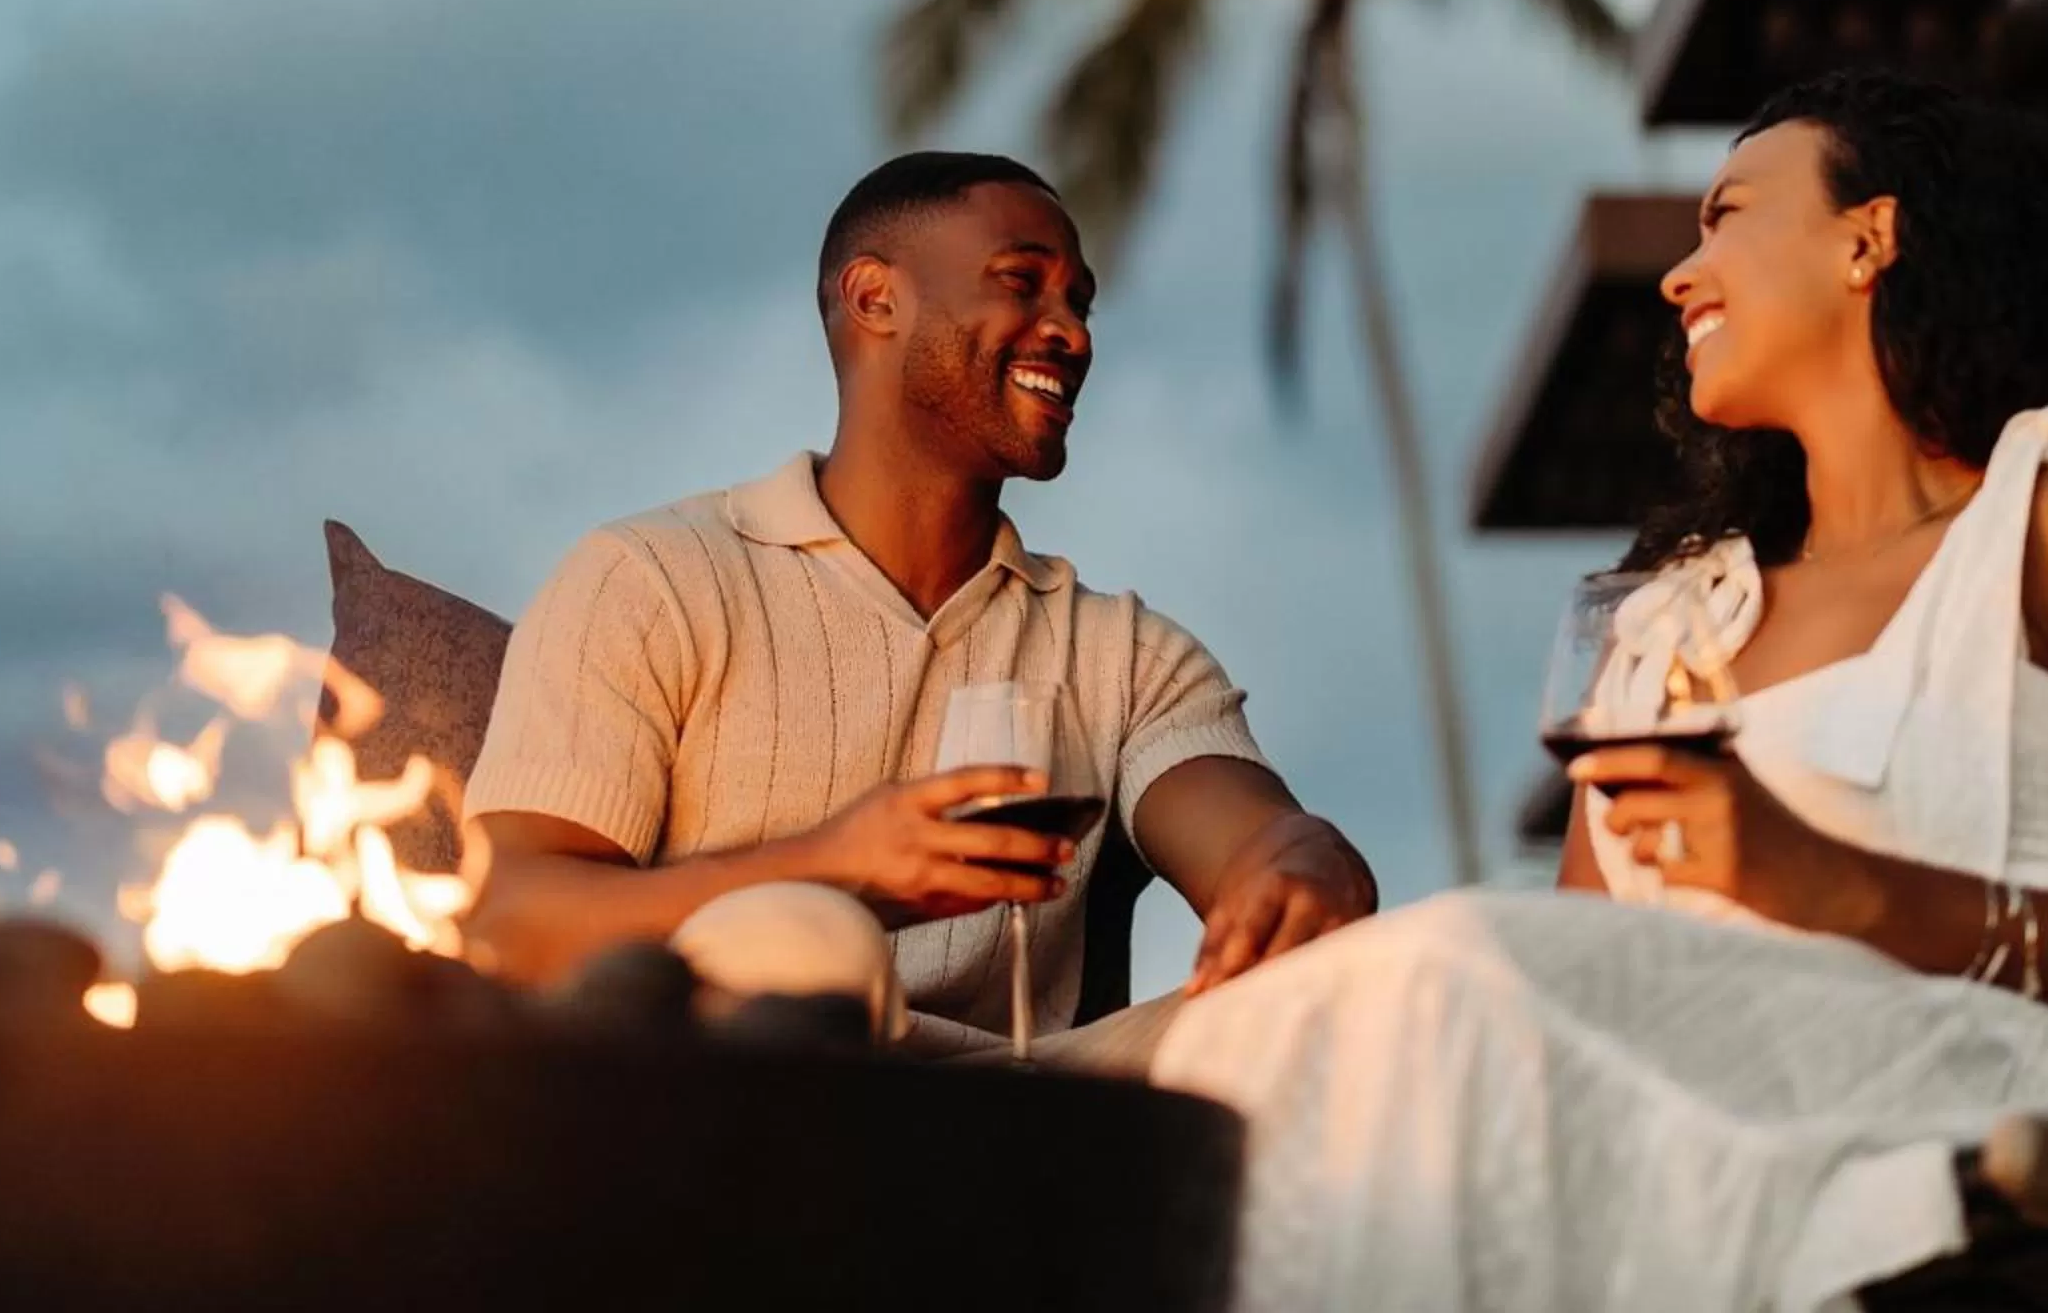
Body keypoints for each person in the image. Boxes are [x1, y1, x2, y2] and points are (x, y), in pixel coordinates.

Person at [1149, 71, 2048, 1309]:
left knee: (1442, 974)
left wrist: (1838, 885)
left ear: (1869, 237)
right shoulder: (1673, 617)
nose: (1679, 273)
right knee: (1264, 1046)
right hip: (1692, 1125)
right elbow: (1586, 971)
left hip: (1999, 1128)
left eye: (1728, 216)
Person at [461, 150, 1376, 1061]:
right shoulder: (651, 579)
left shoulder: (1125, 654)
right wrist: (833, 870)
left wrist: (1303, 865)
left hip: (1026, 1119)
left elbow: (1254, 837)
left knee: (1380, 976)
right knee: (803, 939)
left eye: (1080, 303)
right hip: (725, 1115)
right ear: (874, 299)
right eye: (1024, 283)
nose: (1072, 333)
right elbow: (507, 920)